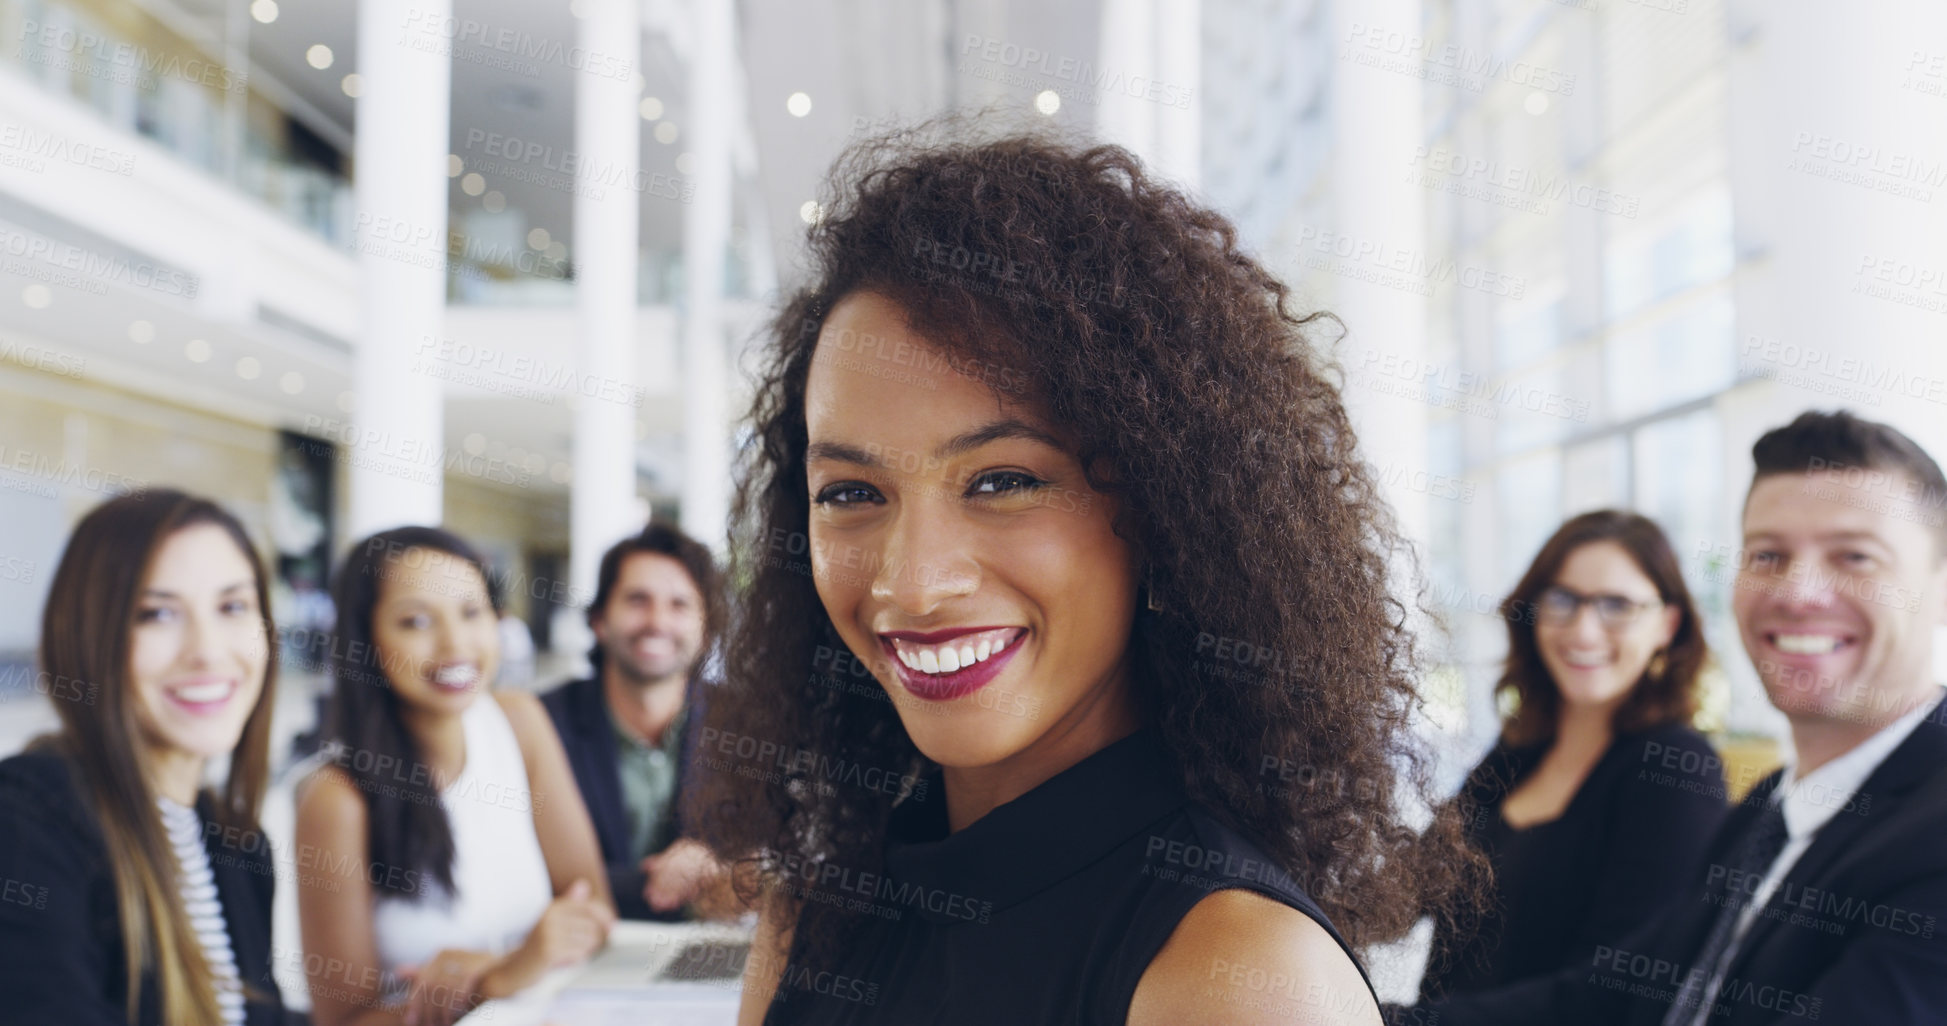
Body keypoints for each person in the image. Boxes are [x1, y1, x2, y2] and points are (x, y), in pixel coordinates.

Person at [691, 126, 1483, 1026]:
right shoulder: (811, 918)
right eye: (850, 492)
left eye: (1002, 481)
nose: (912, 584)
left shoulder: (1237, 974)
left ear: (1162, 512)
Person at [1391, 409, 1947, 1025]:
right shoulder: (1768, 811)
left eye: (1855, 557)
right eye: (1767, 555)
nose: (1797, 592)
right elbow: (1608, 995)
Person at [295, 527, 616, 1026]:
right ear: (366, 639)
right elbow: (343, 1021)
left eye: (472, 612)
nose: (456, 644)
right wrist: (492, 980)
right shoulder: (336, 798)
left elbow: (594, 909)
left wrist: (543, 949)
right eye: (416, 621)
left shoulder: (519, 721)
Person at [0, 488, 286, 1025]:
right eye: (157, 614)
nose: (207, 649)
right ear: (90, 636)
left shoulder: (235, 843)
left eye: (232, 606)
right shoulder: (28, 823)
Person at [1419, 511, 1727, 1001]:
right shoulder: (1520, 746)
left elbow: (1613, 996)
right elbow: (1410, 884)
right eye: (1562, 599)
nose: (1583, 631)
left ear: (1667, 625)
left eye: (1618, 605)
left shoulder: (1678, 770)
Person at [541, 521, 730, 921]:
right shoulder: (542, 723)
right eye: (637, 600)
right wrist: (664, 886)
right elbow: (526, 866)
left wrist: (717, 862)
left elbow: (780, 854)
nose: (657, 622)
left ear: (706, 628)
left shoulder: (750, 724)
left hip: (710, 952)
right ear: (599, 620)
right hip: (577, 950)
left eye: (680, 605)